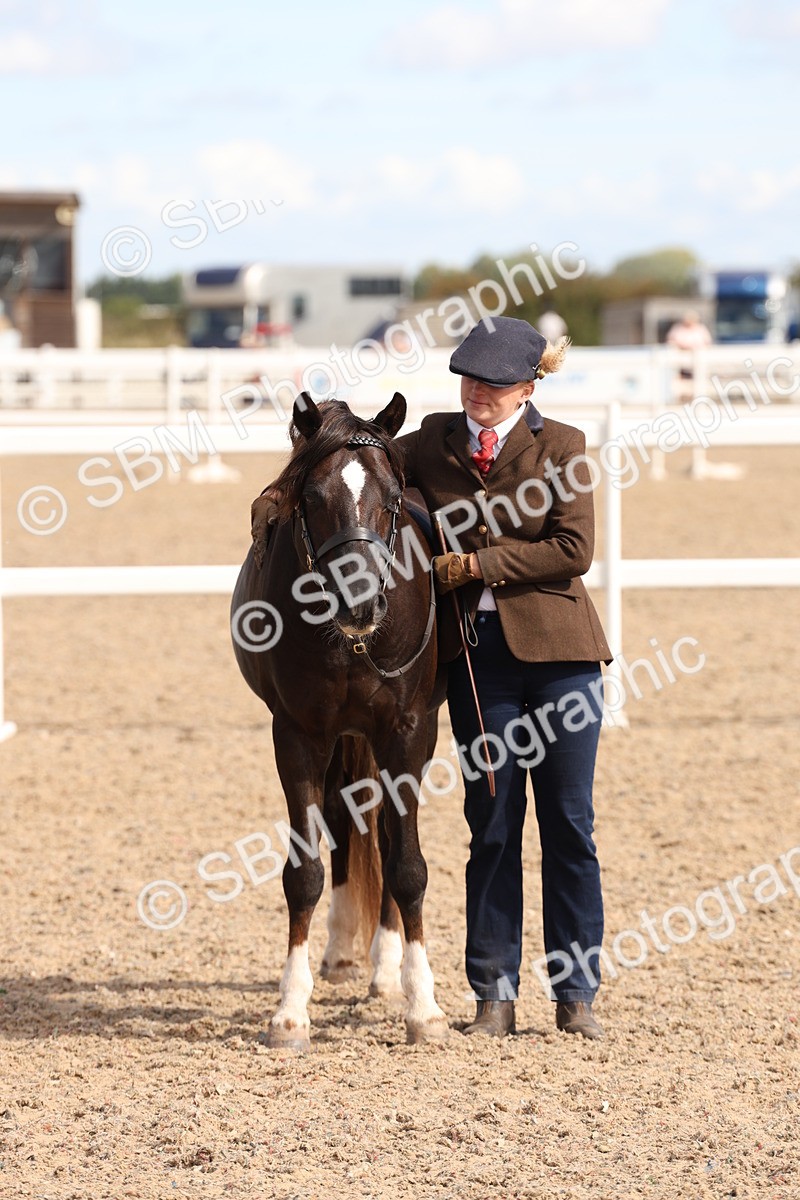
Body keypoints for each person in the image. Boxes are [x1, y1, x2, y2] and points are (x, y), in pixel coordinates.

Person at [398, 316, 612, 1039]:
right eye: (469, 380)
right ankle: (493, 995)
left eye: (493, 384)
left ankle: (575, 992)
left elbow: (574, 548)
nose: (477, 393)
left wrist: (481, 565)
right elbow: (362, 467)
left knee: (569, 826)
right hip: (476, 659)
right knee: (491, 827)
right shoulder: (430, 439)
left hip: (563, 660)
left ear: (527, 385)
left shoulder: (563, 447)